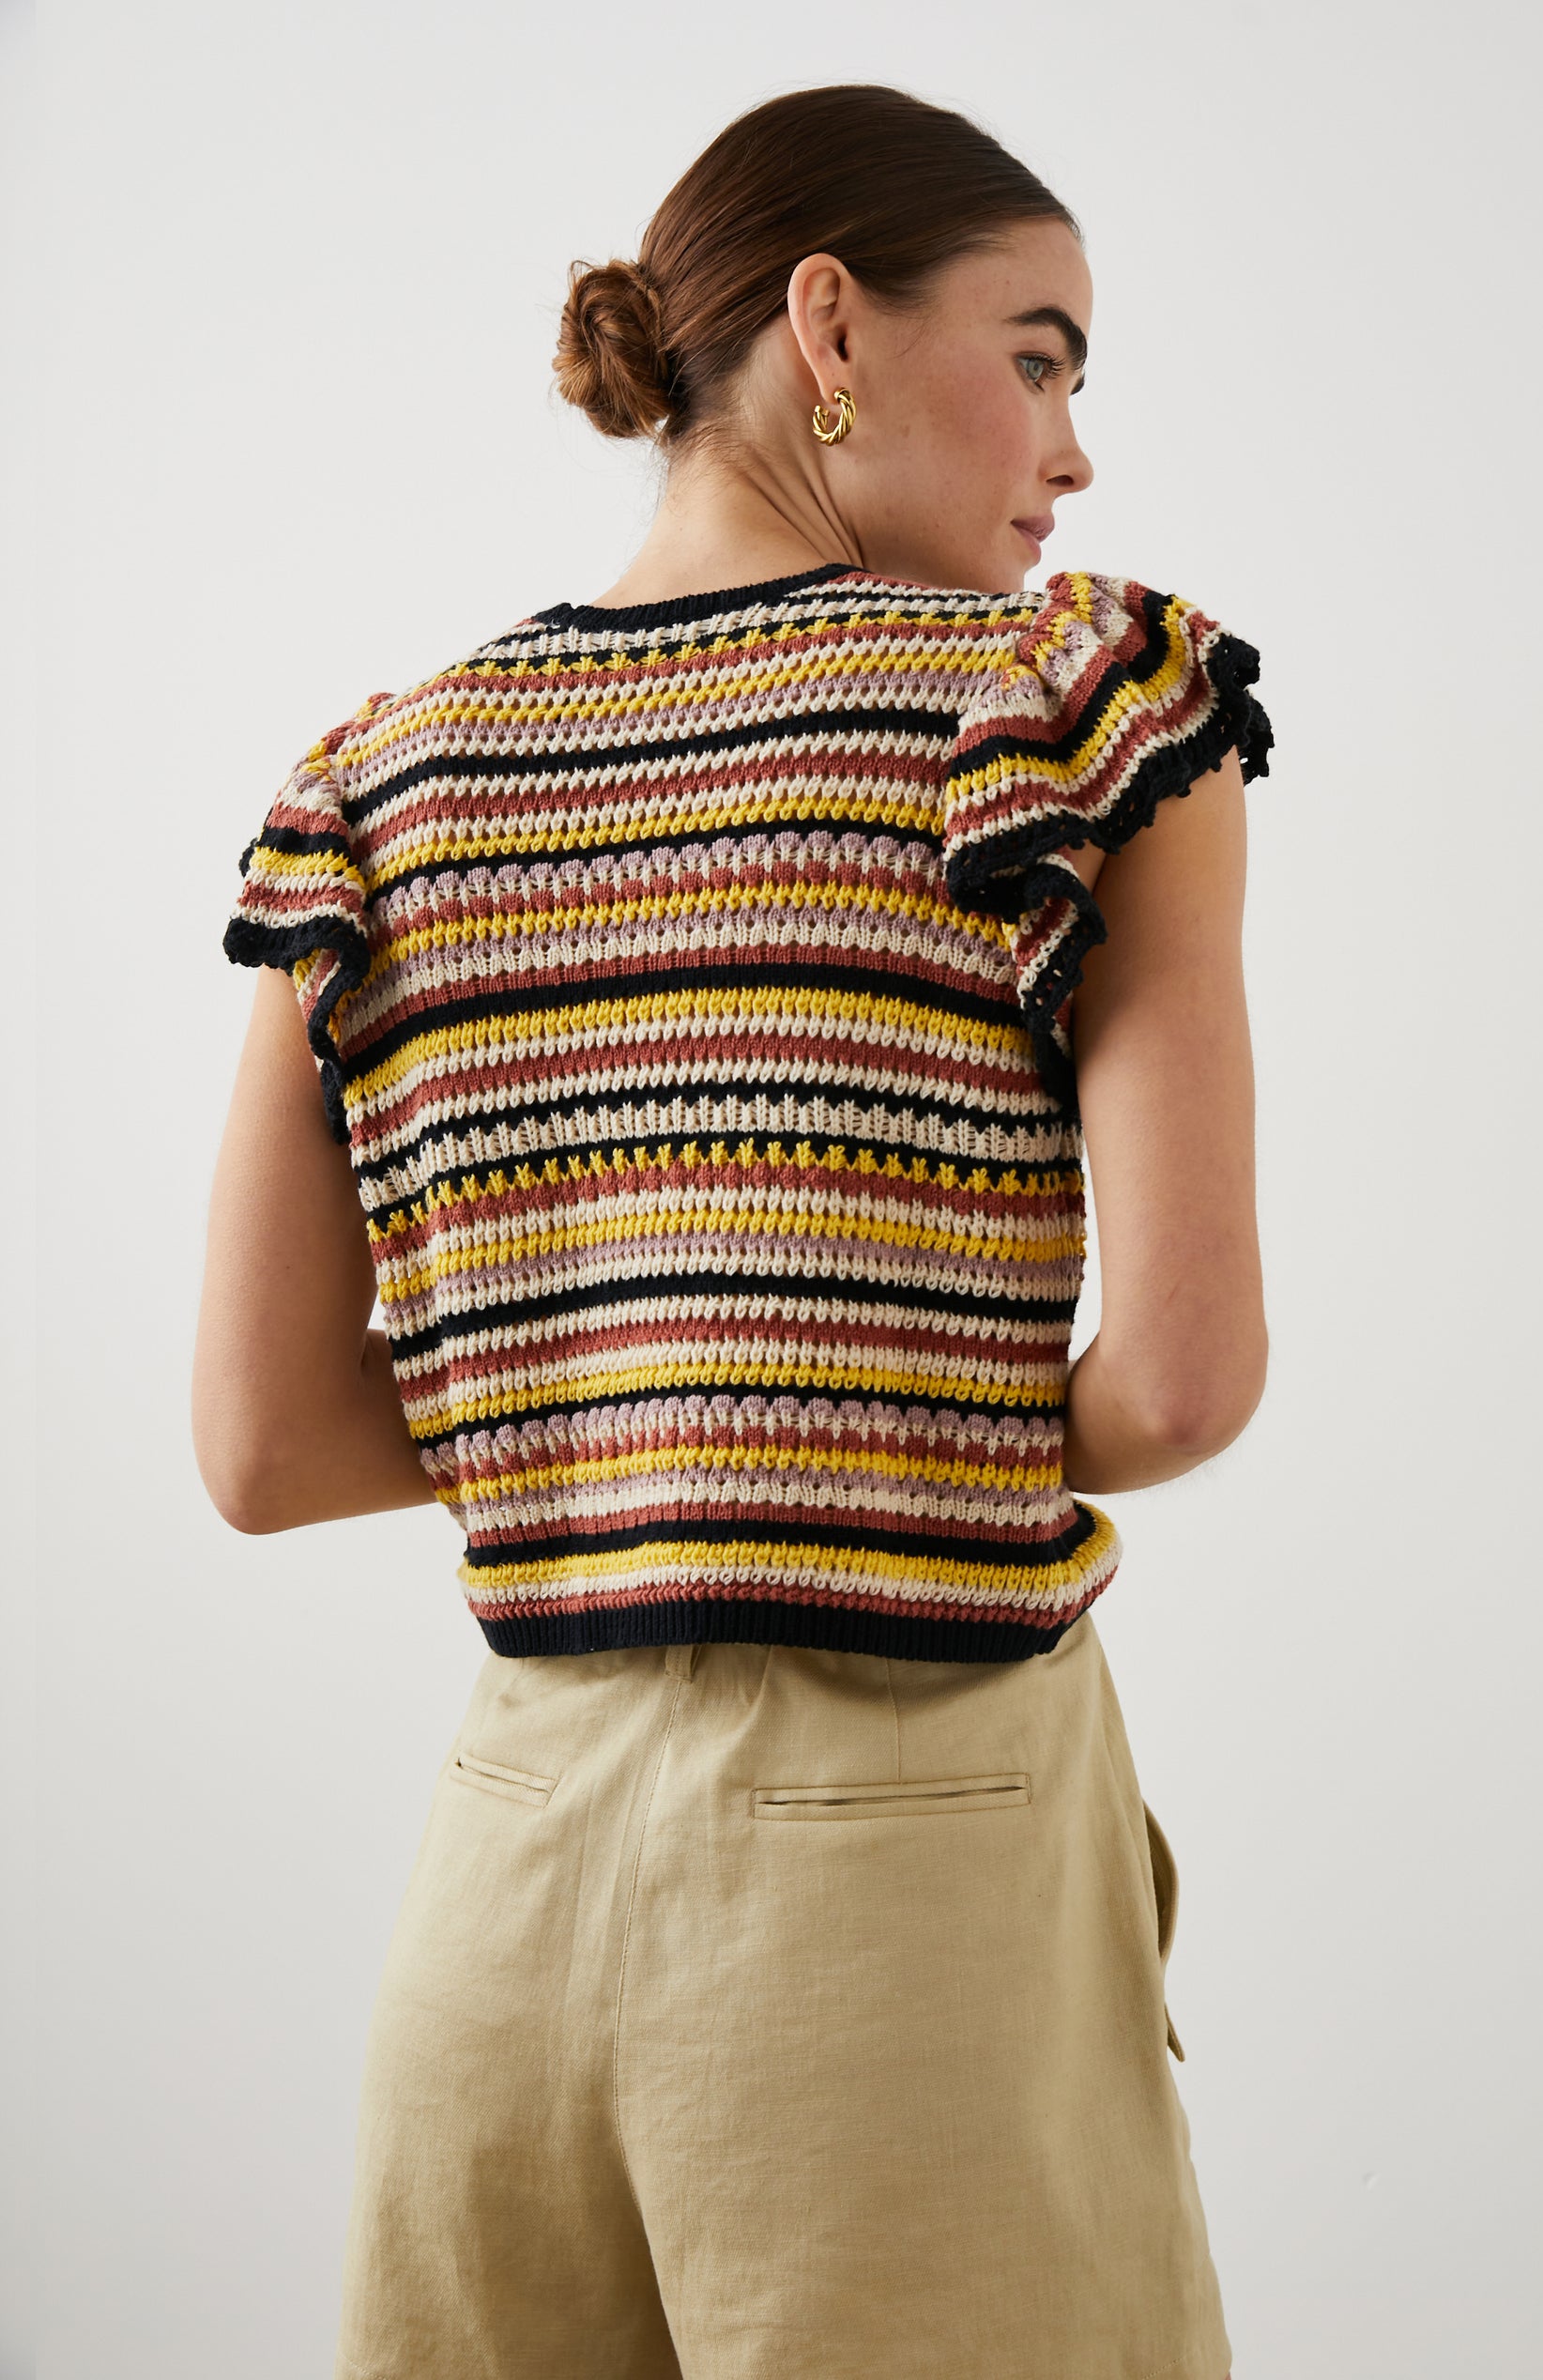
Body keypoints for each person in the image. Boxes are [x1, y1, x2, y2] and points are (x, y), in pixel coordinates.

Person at [193, 80, 1271, 2380]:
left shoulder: (376, 787)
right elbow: (1181, 1384)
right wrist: (838, 1430)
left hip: (503, 1873)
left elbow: (262, 1445)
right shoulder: (1056, 714)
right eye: (1039, 354)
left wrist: (636, 1433)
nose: (1070, 450)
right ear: (829, 324)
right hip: (899, 1859)